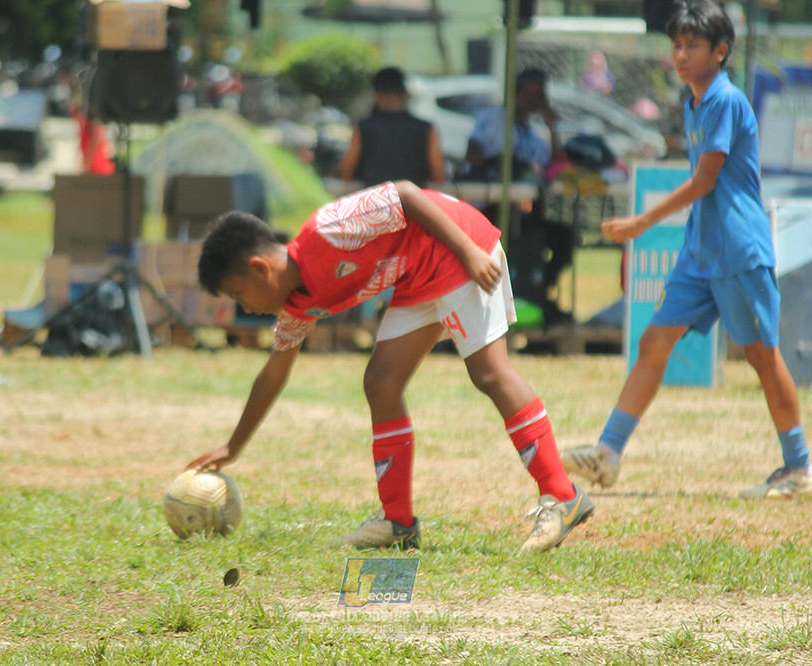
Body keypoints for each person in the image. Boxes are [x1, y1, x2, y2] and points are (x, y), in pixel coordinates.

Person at [186, 180, 594, 553]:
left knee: (488, 372)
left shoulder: (325, 231)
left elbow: (405, 194)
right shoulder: (296, 305)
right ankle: (397, 521)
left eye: (240, 295)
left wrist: (469, 252)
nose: (247, 308)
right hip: (417, 274)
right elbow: (273, 374)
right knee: (381, 381)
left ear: (260, 268)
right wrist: (232, 447)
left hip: (458, 248)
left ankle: (562, 495)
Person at [561, 0, 812, 502]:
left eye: (692, 45)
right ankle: (609, 453)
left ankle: (800, 468)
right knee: (654, 342)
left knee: (762, 359)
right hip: (700, 253)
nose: (681, 54)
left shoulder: (725, 99)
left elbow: (706, 179)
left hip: (740, 251)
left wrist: (642, 222)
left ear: (720, 52)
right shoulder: (693, 103)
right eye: (676, 44)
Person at [464, 67, 574, 324]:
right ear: (515, 93)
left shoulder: (534, 137)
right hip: (485, 208)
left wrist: (552, 126)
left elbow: (557, 165)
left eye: (539, 95)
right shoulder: (493, 119)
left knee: (561, 238)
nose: (533, 99)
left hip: (520, 213)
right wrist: (498, 165)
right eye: (529, 93)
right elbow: (473, 152)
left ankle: (535, 295)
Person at [339, 67, 446, 187]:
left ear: (377, 95)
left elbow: (346, 173)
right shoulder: (427, 129)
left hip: (377, 202)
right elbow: (439, 176)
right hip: (413, 202)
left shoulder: (363, 128)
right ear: (406, 94)